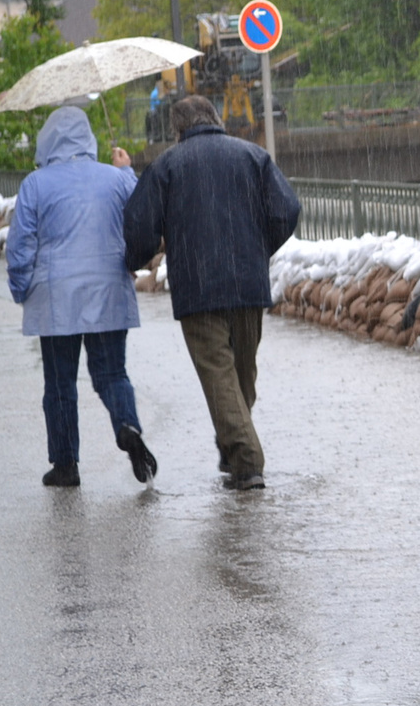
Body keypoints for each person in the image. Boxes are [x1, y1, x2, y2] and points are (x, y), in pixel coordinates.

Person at [123, 95, 300, 491]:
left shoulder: (167, 165)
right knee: (242, 373)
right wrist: (258, 249)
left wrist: (135, 257)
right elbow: (287, 209)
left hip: (198, 287)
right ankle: (234, 445)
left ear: (178, 129)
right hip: (248, 284)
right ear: (216, 119)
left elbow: (139, 224)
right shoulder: (253, 156)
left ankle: (247, 462)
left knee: (221, 375)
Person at [6, 107, 158, 488]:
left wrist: (20, 288)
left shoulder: (36, 184)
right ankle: (127, 425)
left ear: (48, 139)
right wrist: (125, 172)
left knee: (59, 385)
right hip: (108, 292)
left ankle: (65, 464)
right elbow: (141, 219)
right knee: (111, 374)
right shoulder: (114, 178)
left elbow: (21, 245)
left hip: (55, 300)